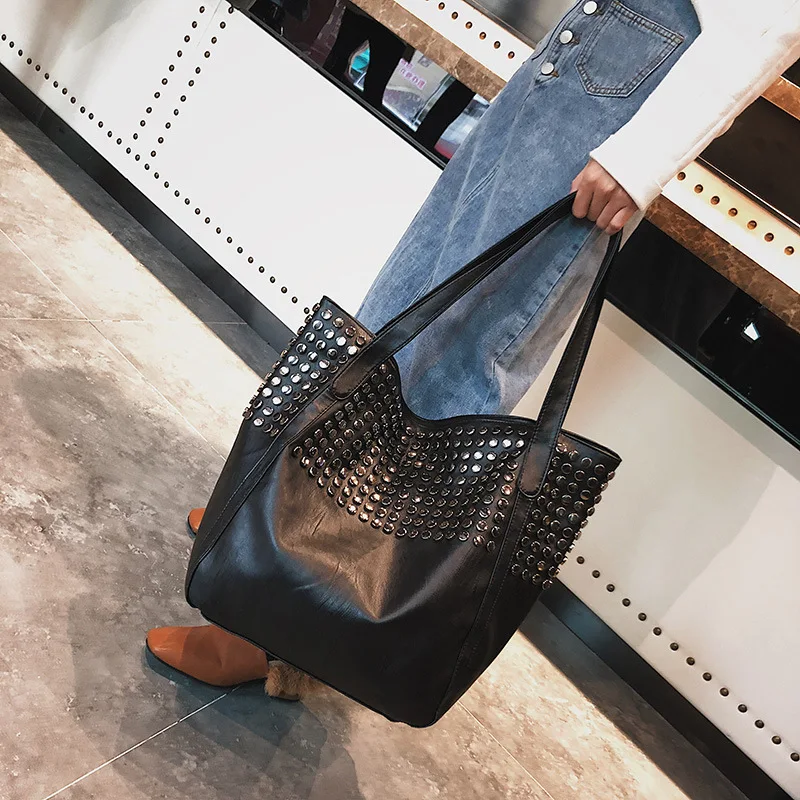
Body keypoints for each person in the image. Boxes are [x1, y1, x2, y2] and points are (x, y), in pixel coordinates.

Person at [146, 0, 800, 691]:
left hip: (626, 91)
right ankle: (283, 520)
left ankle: (280, 627)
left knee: (454, 361)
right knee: (401, 314)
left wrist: (642, 157)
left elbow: (775, 20)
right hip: (593, 60)